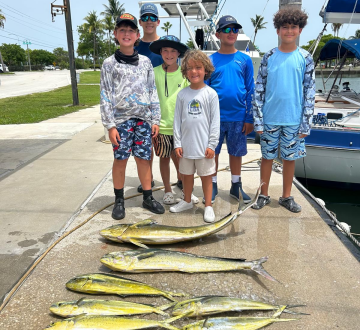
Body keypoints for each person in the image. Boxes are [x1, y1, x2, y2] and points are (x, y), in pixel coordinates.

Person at [100, 13, 165, 220]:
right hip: (120, 121)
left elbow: (152, 91)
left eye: (130, 30)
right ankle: (119, 200)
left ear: (137, 35)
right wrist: (110, 126)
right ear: (115, 34)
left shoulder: (145, 62)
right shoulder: (109, 64)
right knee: (120, 160)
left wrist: (155, 119)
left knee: (144, 159)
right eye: (122, 30)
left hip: (143, 120)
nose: (126, 34)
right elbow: (105, 95)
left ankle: (147, 197)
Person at [252, 8, 315, 212]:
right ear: (277, 30)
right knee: (267, 158)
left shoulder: (305, 58)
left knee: (289, 159)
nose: (289, 31)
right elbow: (258, 90)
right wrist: (259, 120)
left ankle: (286, 196)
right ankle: (263, 194)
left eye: (293, 27)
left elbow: (310, 92)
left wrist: (306, 121)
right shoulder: (269, 56)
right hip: (270, 118)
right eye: (285, 27)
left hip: (294, 120)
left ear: (300, 30)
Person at [207, 15, 255, 204]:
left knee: (236, 152)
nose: (231, 33)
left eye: (235, 29)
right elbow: (205, 90)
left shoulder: (245, 60)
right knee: (213, 153)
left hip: (238, 117)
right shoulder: (210, 60)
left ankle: (236, 185)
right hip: (215, 117)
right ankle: (212, 183)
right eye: (226, 29)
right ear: (218, 34)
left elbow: (250, 89)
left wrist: (249, 117)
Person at [170, 50, 220, 223]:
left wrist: (212, 145)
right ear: (185, 72)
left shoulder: (211, 94)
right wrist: (177, 143)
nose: (194, 71)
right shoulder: (182, 95)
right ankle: (186, 200)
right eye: (190, 68)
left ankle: (208, 205)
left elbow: (215, 122)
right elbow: (177, 121)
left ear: (205, 70)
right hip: (185, 145)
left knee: (206, 175)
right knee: (186, 175)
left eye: (198, 67)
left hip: (204, 146)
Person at [149, 35, 199, 205]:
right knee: (164, 159)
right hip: (161, 126)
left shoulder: (185, 74)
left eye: (173, 51)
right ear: (160, 52)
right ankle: (168, 190)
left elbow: (191, 98)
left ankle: (186, 189)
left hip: (181, 127)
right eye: (165, 51)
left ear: (178, 53)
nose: (169, 54)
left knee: (183, 161)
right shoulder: (154, 72)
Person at [135, 3, 163, 193]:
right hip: (144, 104)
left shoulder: (166, 45)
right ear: (140, 22)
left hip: (166, 101)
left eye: (152, 18)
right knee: (147, 146)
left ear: (158, 21)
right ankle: (149, 178)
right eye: (145, 18)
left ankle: (178, 178)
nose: (149, 22)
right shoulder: (135, 46)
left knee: (170, 144)